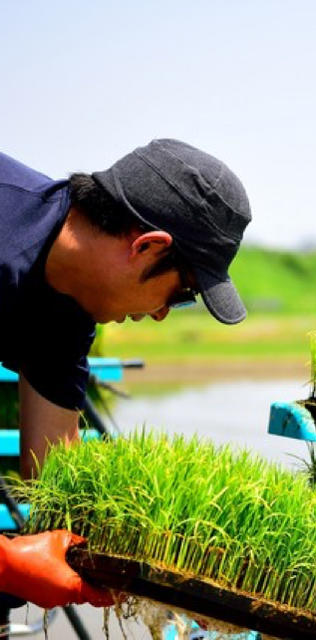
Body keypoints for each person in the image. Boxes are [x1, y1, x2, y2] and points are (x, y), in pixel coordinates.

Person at [0, 139, 251, 608]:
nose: (160, 315)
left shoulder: (69, 312)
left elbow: (55, 479)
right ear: (148, 246)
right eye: (181, 294)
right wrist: (10, 564)